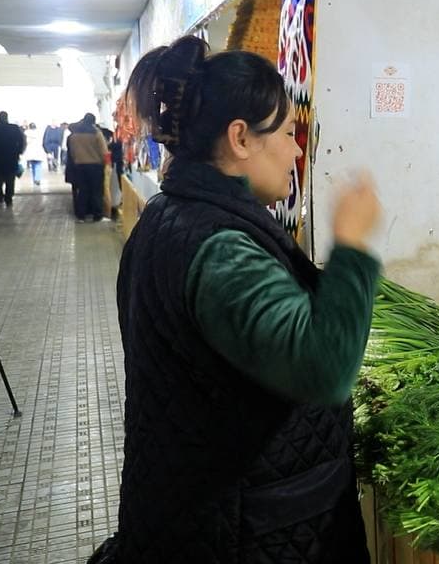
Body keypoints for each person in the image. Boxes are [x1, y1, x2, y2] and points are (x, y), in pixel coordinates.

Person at [99, 35, 381, 563]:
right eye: (290, 132)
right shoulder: (221, 249)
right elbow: (325, 369)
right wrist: (353, 249)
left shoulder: (169, 217)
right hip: (246, 532)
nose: (298, 150)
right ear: (240, 139)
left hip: (205, 512)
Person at [67, 114, 108, 222]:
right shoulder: (96, 133)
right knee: (96, 191)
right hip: (95, 166)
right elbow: (104, 150)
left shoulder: (74, 135)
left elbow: (72, 152)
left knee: (83, 191)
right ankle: (97, 216)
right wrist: (106, 163)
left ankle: (81, 216)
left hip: (79, 166)